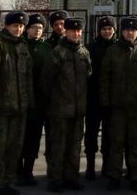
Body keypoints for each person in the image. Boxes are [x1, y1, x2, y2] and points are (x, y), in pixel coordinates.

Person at [100, 16, 137, 192]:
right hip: (117, 106)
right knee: (116, 143)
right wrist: (105, 101)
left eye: (133, 30)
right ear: (121, 31)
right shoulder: (112, 51)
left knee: (136, 143)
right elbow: (104, 78)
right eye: (126, 30)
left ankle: (136, 176)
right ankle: (114, 176)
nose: (129, 32)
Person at [0, 11, 33, 195]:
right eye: (14, 26)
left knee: (14, 147)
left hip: (19, 107)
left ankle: (7, 181)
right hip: (2, 108)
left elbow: (27, 77)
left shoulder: (22, 46)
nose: (18, 29)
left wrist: (28, 101)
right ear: (7, 26)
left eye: (21, 26)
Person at [43, 17, 92, 192]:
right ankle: (56, 180)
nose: (76, 34)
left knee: (75, 146)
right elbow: (46, 81)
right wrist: (56, 101)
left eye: (79, 31)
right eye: (72, 30)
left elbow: (88, 78)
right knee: (58, 145)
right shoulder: (57, 53)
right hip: (60, 109)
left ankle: (72, 178)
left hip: (78, 110)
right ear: (66, 31)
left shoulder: (84, 53)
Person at [17, 13, 52, 187]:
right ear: (27, 29)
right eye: (33, 27)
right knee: (19, 137)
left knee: (33, 138)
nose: (37, 31)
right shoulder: (20, 46)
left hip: (39, 101)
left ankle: (28, 171)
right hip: (20, 99)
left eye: (40, 28)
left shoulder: (46, 49)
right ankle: (17, 171)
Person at [85, 16, 117, 179]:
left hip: (112, 99)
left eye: (109, 29)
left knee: (109, 135)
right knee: (91, 133)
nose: (106, 31)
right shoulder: (90, 48)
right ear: (99, 31)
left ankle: (106, 165)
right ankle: (90, 166)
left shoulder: (118, 48)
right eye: (104, 29)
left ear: (114, 30)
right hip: (93, 98)